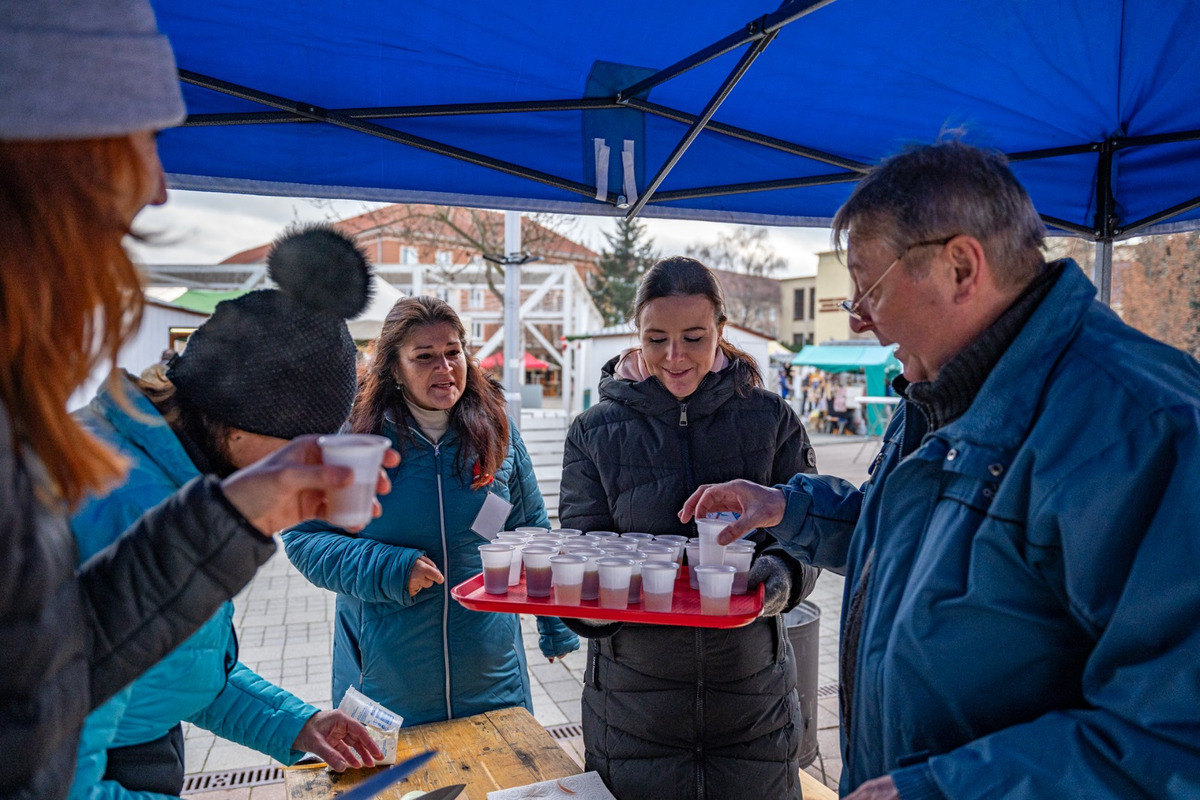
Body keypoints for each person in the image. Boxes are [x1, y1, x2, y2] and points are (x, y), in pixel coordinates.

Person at [681, 141, 1200, 799]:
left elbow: (1175, 740)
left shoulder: (1141, 424)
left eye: (868, 286)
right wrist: (789, 509)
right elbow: (911, 533)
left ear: (961, 266)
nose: (861, 319)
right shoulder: (944, 387)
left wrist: (945, 790)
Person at [0, 3, 395, 797]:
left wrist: (295, 724)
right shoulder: (107, 492)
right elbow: (49, 757)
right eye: (134, 136)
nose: (153, 187)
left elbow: (166, 670)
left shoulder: (185, 478)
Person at [67, 225, 385, 800]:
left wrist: (297, 724)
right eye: (300, 448)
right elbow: (48, 777)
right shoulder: (119, 502)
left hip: (141, 749)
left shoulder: (184, 473)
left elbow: (181, 669)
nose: (309, 467)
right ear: (238, 428)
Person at [558, 256, 821, 800]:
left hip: (751, 702)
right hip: (634, 709)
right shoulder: (593, 431)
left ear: (721, 332)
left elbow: (808, 535)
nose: (674, 357)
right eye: (657, 339)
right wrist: (585, 603)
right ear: (637, 333)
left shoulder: (771, 419)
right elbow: (580, 547)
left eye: (694, 337)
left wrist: (781, 574)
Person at [283, 296, 580, 725]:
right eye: (424, 357)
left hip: (492, 670)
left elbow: (529, 526)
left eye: (453, 352)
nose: (444, 368)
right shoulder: (356, 441)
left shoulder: (496, 429)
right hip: (387, 681)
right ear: (393, 368)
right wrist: (390, 568)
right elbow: (304, 538)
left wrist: (555, 625)